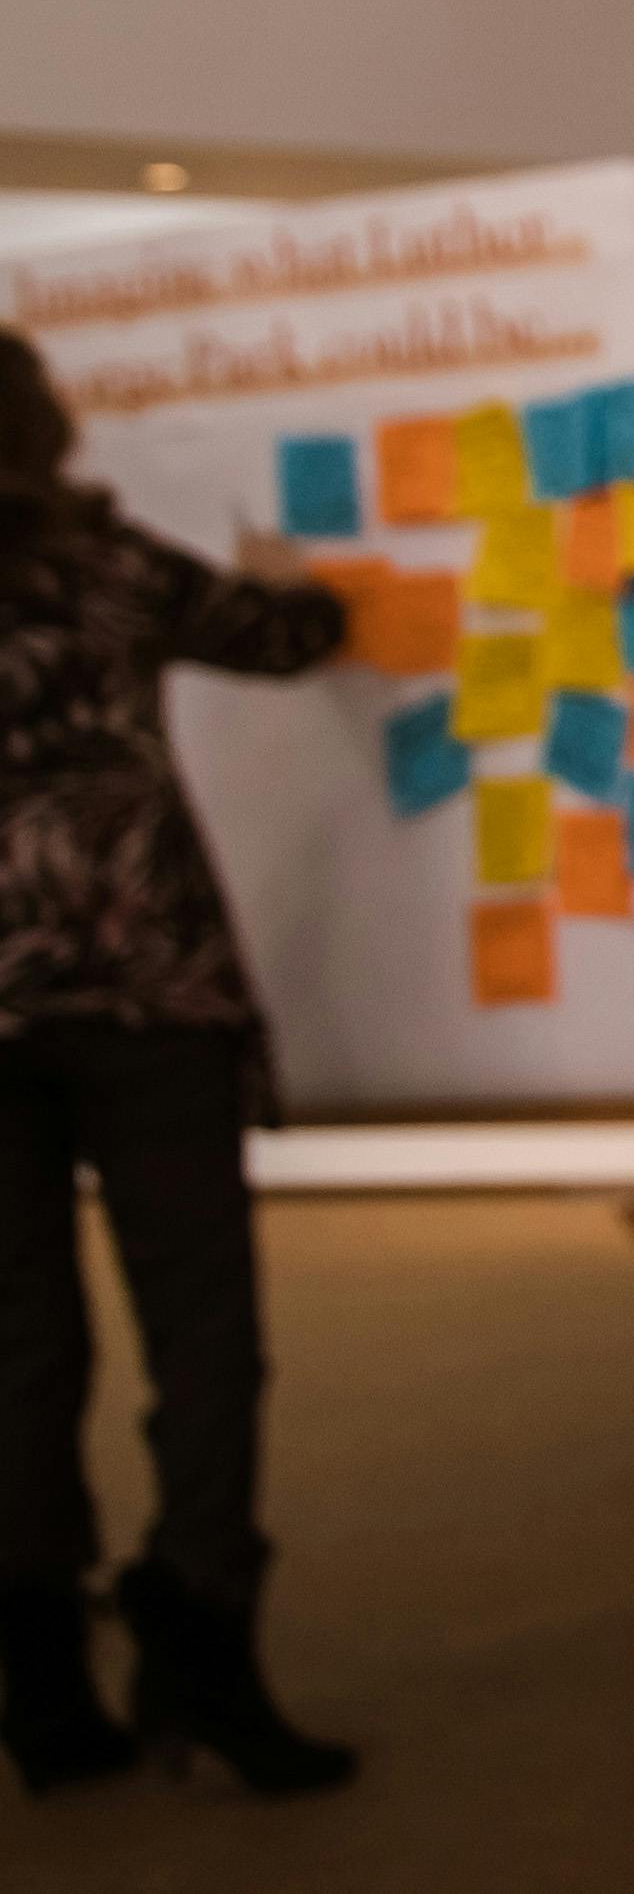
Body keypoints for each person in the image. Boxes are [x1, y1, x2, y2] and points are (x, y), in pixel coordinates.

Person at [0, 330, 358, 1799]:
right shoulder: (102, 564)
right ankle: (203, 1635)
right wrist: (291, 578)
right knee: (204, 1335)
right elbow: (292, 635)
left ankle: (43, 1686)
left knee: (18, 1350)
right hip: (153, 996)